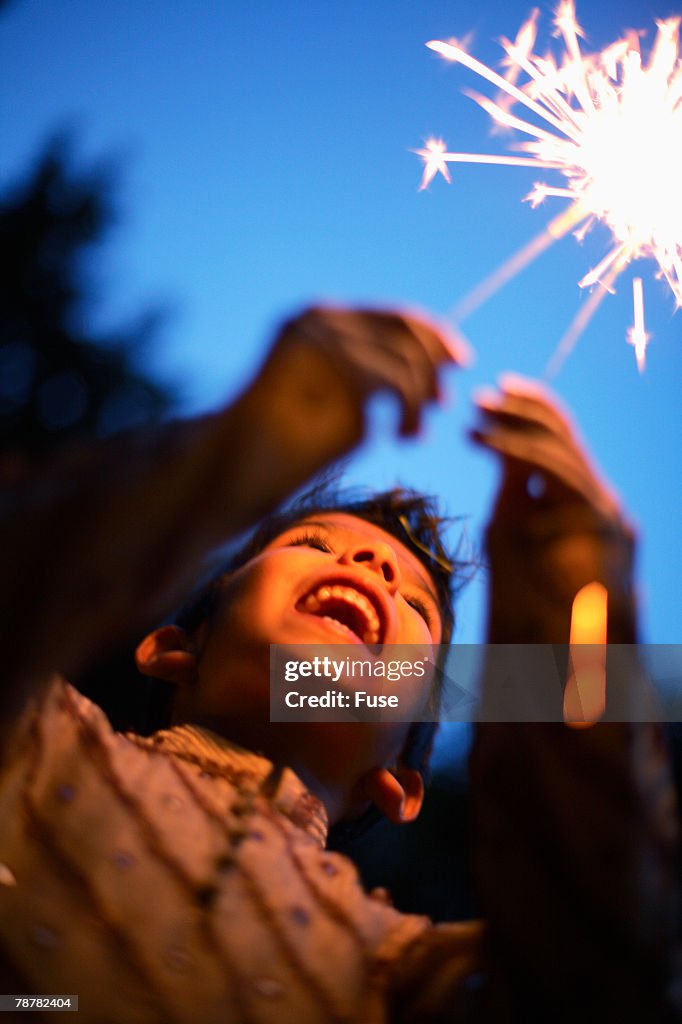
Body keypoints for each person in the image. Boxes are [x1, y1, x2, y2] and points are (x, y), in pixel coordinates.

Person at [0, 306, 678, 1021]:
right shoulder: (39, 743)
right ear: (173, 650)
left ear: (398, 786)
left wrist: (575, 610)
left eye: (416, 607)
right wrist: (238, 451)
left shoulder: (392, 971)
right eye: (317, 544)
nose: (372, 562)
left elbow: (606, 983)